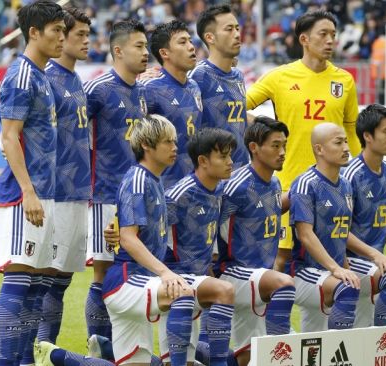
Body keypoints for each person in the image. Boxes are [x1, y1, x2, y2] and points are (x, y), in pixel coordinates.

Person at [245, 10, 362, 273]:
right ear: (304, 39)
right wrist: (260, 127)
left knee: (334, 259)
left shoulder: (344, 80)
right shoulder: (279, 77)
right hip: (288, 186)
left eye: (333, 34)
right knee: (280, 260)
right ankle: (272, 315)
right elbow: (237, 106)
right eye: (323, 34)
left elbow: (351, 131)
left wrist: (359, 171)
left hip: (331, 188)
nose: (331, 40)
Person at [0, 1, 64, 365]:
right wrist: (29, 191)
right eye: (55, 30)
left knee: (38, 287)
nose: (62, 38)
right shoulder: (21, 76)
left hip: (45, 194)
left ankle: (22, 361)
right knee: (19, 281)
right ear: (33, 33)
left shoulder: (42, 75)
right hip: (26, 195)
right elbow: (9, 138)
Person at [288, 123, 386, 332]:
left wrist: (375, 255)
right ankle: (340, 352)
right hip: (307, 271)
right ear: (319, 149)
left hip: (337, 268)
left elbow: (341, 232)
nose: (346, 148)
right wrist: (335, 267)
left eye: (346, 141)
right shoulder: (306, 183)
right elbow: (305, 235)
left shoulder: (345, 185)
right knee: (345, 290)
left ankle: (380, 346)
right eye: (338, 142)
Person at [82, 19, 150, 353]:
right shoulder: (98, 89)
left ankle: (120, 347)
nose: (146, 52)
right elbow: (73, 134)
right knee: (103, 271)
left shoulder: (143, 93)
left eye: (147, 46)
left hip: (136, 199)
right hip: (105, 196)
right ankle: (98, 345)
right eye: (139, 46)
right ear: (118, 50)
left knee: (130, 271)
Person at [104, 114, 194, 365]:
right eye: (167, 142)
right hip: (126, 280)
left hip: (142, 281)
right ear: (146, 145)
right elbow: (129, 239)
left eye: (175, 141)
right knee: (183, 293)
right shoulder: (138, 180)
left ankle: (57, 356)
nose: (175, 147)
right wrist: (166, 273)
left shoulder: (154, 180)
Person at [216, 117, 295, 366]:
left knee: (248, 358)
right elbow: (213, 226)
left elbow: (264, 211)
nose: (282, 152)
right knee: (284, 284)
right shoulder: (235, 186)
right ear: (253, 147)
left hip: (258, 277)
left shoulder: (274, 183)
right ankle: (279, 347)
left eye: (284, 145)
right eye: (275, 145)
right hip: (234, 273)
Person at [35, 6, 92, 351]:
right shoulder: (48, 79)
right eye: (79, 35)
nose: (87, 41)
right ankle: (41, 345)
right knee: (45, 276)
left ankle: (45, 347)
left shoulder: (74, 79)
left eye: (88, 34)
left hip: (77, 190)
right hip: (54, 192)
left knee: (62, 279)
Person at [158, 128, 237, 366]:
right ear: (203, 161)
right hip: (175, 281)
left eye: (230, 156)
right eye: (223, 157)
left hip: (196, 282)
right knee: (225, 290)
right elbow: (154, 237)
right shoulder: (178, 195)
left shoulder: (220, 191)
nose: (230, 162)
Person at [341, 104, 386, 327]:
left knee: (363, 332)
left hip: (375, 263)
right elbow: (341, 231)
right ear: (368, 136)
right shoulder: (350, 175)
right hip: (350, 262)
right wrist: (377, 258)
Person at [144, 20, 203, 189]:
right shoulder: (150, 88)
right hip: (164, 188)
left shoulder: (194, 87)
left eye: (190, 41)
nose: (191, 47)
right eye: (182, 42)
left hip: (193, 186)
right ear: (164, 53)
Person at [189, 4, 249, 169]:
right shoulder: (199, 76)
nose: (237, 34)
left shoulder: (238, 76)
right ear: (210, 37)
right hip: (215, 175)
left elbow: (236, 116)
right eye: (229, 29)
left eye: (237, 28)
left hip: (240, 171)